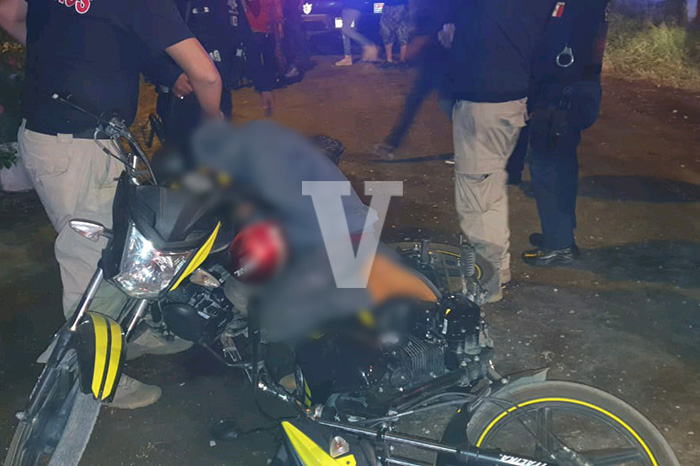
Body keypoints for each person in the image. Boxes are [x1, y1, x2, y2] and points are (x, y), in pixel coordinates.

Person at [0, 0, 222, 408]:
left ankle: (128, 333)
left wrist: (63, 55)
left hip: (76, 136)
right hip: (73, 146)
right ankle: (92, 374)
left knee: (123, 246)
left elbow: (10, 15)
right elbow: (206, 74)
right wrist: (214, 121)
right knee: (91, 261)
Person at [446, 0, 556, 302]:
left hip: (484, 104)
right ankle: (498, 269)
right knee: (489, 189)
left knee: (477, 200)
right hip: (512, 99)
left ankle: (488, 282)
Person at [522, 0, 610, 266]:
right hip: (572, 91)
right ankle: (559, 234)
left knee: (548, 168)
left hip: (560, 95)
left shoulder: (572, 5)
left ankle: (560, 245)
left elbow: (552, 47)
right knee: (561, 164)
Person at [148, 0, 276, 148]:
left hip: (221, 93)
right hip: (184, 96)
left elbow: (245, 38)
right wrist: (171, 76)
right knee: (185, 155)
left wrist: (263, 85)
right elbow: (147, 39)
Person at [373, 0, 452, 159]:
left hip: (438, 60)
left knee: (440, 103)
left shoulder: (431, 5)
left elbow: (426, 32)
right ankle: (390, 144)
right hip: (438, 59)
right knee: (432, 102)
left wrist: (410, 51)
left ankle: (390, 144)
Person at [334, 0, 379, 66]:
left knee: (346, 30)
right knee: (346, 32)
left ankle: (369, 45)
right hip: (350, 7)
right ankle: (347, 57)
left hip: (353, 7)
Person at [379, 0, 409, 64]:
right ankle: (389, 60)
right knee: (387, 34)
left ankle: (402, 61)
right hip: (389, 6)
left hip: (400, 7)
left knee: (402, 35)